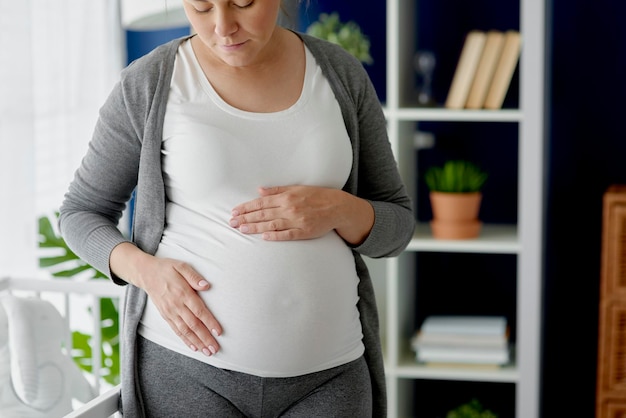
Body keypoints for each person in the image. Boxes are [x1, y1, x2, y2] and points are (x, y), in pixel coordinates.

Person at [59, 0, 414, 416]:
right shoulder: (151, 82)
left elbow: (398, 224)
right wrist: (147, 273)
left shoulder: (339, 73)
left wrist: (340, 209)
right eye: (201, 7)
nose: (223, 27)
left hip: (330, 377)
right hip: (188, 374)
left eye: (242, 2)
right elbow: (81, 213)